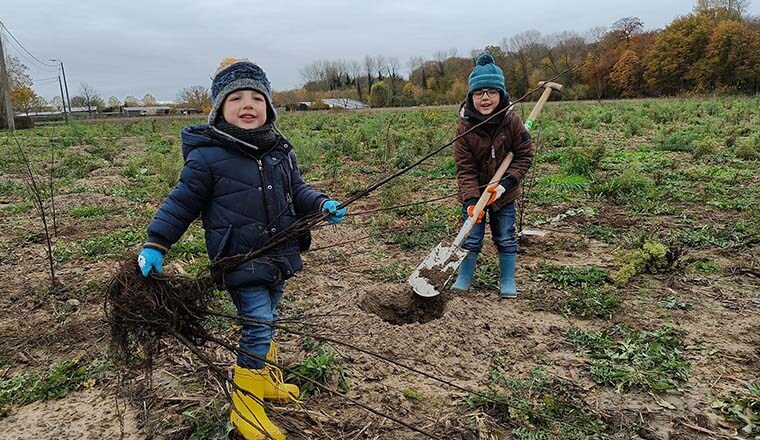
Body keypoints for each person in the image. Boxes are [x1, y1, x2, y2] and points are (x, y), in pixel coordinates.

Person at [137, 58, 346, 440]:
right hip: (239, 258)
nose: (247, 105)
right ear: (219, 109)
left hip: (280, 254)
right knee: (257, 325)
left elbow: (296, 190)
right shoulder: (207, 157)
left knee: (271, 317)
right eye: (236, 98)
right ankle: (246, 412)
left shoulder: (279, 150)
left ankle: (264, 381)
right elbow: (180, 203)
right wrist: (157, 242)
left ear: (268, 106)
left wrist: (321, 203)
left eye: (256, 98)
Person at [451, 53, 535, 298]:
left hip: (504, 194)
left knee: (505, 235)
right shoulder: (465, 127)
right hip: (474, 193)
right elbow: (464, 168)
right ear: (471, 97)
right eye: (479, 93)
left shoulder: (512, 122)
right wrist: (470, 201)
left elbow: (524, 157)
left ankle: (507, 279)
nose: (485, 98)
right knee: (471, 236)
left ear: (501, 95)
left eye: (491, 92)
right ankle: (464, 277)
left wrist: (505, 184)